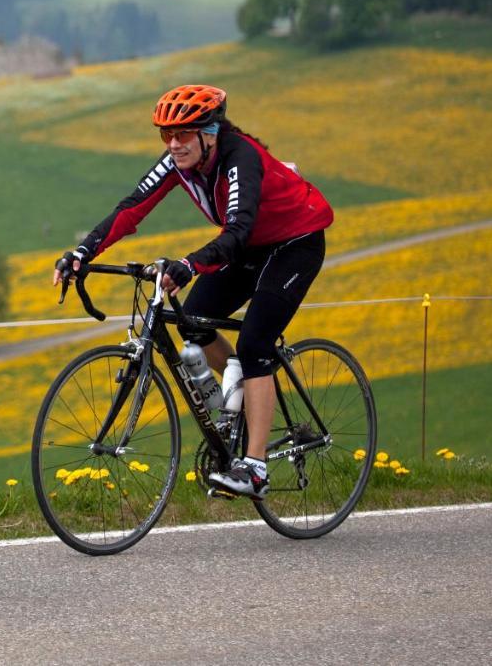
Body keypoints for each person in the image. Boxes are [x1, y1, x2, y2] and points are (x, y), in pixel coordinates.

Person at [53, 84, 333, 498]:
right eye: (166, 134)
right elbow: (133, 207)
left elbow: (237, 230)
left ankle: (254, 470)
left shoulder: (241, 157)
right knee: (194, 319)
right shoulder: (177, 161)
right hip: (249, 245)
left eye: (183, 134)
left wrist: (189, 264)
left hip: (295, 242)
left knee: (256, 342)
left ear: (210, 133)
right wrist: (82, 251)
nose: (173, 143)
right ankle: (240, 393)